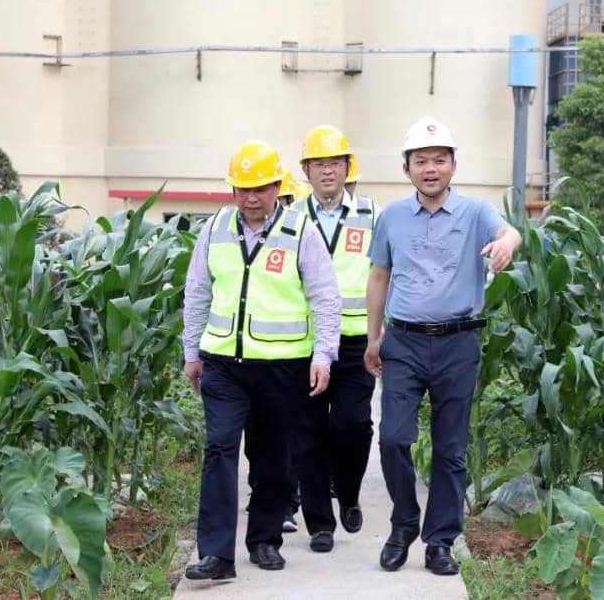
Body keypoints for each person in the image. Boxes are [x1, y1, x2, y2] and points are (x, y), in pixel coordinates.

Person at [364, 117, 522, 576]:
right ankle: (403, 524)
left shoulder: (475, 213)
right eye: (421, 161)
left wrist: (506, 246)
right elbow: (379, 277)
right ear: (406, 168)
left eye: (439, 160)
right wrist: (373, 338)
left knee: (450, 450)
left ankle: (440, 542)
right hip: (404, 341)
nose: (430, 169)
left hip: (458, 342)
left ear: (453, 165)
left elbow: (509, 232)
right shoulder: (392, 218)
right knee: (393, 438)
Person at [182, 140, 341, 580]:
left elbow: (325, 297)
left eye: (260, 188)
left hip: (282, 366)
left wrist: (323, 355)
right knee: (219, 449)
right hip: (223, 365)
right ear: (233, 190)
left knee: (273, 456)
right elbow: (197, 291)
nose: (251, 198)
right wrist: (191, 351)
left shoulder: (300, 231)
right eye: (243, 189)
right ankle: (216, 555)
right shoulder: (214, 228)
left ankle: (265, 539)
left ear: (277, 187)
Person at [294, 125, 379, 553]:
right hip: (306, 341)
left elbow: (386, 272)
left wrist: (382, 331)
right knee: (308, 431)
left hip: (356, 339)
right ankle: (320, 524)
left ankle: (347, 493)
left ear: (348, 168)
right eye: (318, 164)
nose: (327, 171)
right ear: (305, 170)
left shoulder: (372, 214)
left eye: (334, 163)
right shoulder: (291, 217)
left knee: (353, 424)